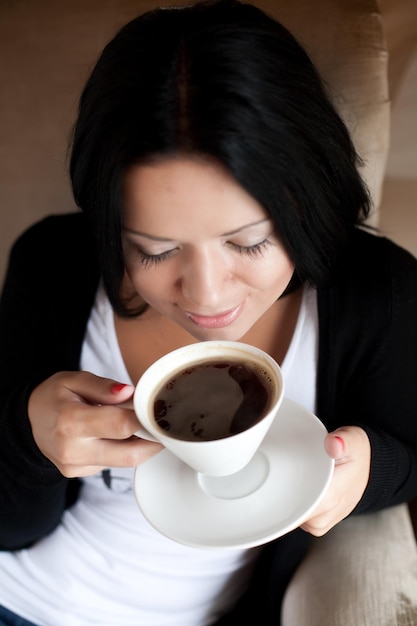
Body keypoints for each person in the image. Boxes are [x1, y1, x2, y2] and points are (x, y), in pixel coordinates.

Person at [0, 0, 417, 624]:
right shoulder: (51, 264)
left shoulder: (376, 295)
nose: (207, 297)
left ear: (308, 199)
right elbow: (9, 529)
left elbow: (411, 454)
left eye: (248, 243)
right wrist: (29, 441)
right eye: (156, 250)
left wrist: (369, 472)